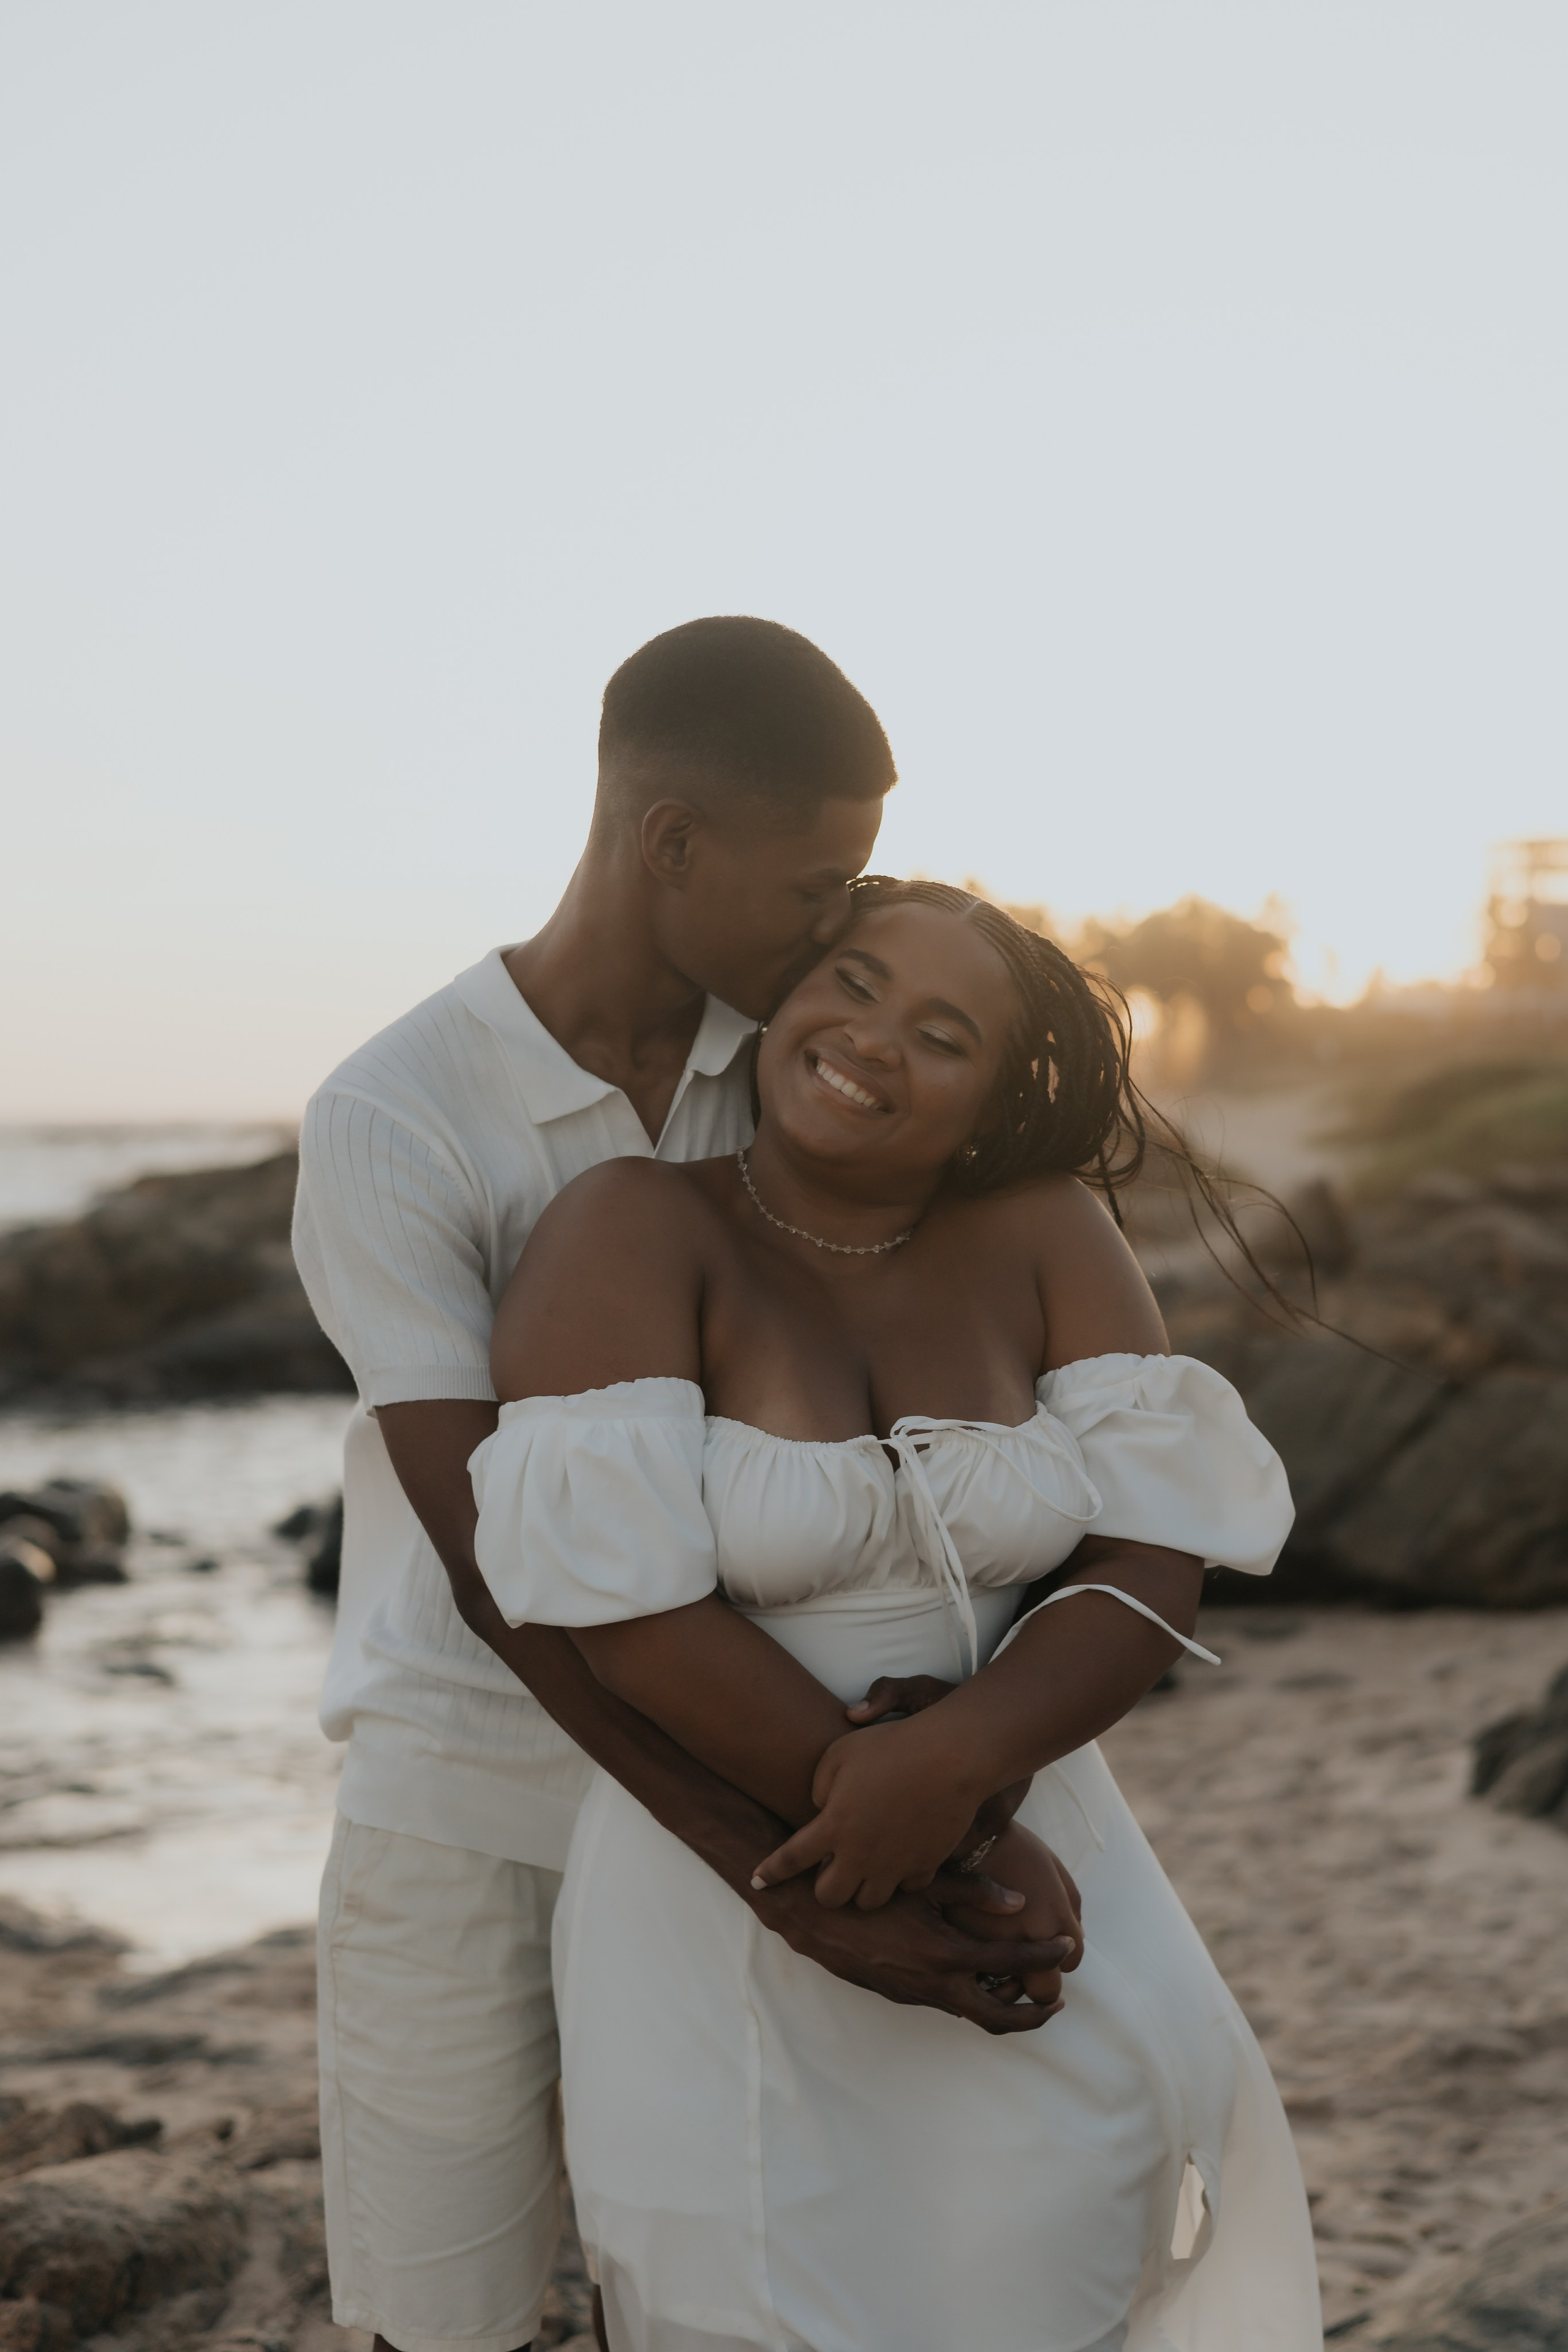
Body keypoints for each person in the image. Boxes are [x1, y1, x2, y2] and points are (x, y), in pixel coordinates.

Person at [293, 620, 1077, 2352]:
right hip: (479, 1799)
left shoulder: (803, 1062)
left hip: (789, 1750)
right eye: (820, 887)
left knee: (787, 2287)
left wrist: (932, 1782)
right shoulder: (397, 1116)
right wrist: (782, 1859)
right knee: (450, 2317)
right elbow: (503, 1567)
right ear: (670, 844)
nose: (842, 930)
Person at [470, 878, 1324, 2352]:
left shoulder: (1045, 1233)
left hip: (1048, 1863)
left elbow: (1152, 1548)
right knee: (765, 2292)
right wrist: (892, 1813)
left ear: (992, 1096)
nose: (869, 1039)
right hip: (739, 1886)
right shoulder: (629, 1226)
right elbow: (619, 1612)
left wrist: (964, 1766)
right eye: (851, 982)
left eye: (940, 1033)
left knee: (1070, 2240)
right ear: (785, 995)